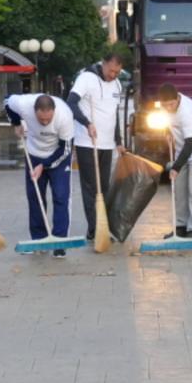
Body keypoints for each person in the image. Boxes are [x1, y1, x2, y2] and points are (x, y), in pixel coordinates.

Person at [5, 93, 75, 257]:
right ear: (33, 111)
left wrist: (44, 165)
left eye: (47, 120)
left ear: (54, 111)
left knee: (60, 197)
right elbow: (7, 101)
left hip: (58, 157)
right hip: (34, 153)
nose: (44, 123)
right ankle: (39, 239)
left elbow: (65, 150)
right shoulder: (23, 104)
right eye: (40, 119)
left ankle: (59, 242)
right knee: (35, 197)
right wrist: (15, 123)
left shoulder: (65, 116)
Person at [66, 52, 125, 242]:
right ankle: (94, 229)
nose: (114, 75)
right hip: (87, 142)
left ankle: (103, 226)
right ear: (104, 63)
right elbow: (71, 103)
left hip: (107, 144)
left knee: (105, 187)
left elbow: (114, 115)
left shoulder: (116, 84)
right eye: (111, 71)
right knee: (91, 187)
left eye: (117, 72)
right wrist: (86, 123)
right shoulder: (86, 79)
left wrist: (119, 141)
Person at [157, 83, 192, 238]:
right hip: (182, 148)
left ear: (178, 98)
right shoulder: (165, 107)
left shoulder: (187, 111)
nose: (168, 108)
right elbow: (169, 123)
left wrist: (175, 167)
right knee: (179, 189)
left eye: (171, 104)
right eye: (165, 105)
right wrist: (167, 130)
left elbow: (191, 143)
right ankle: (180, 226)